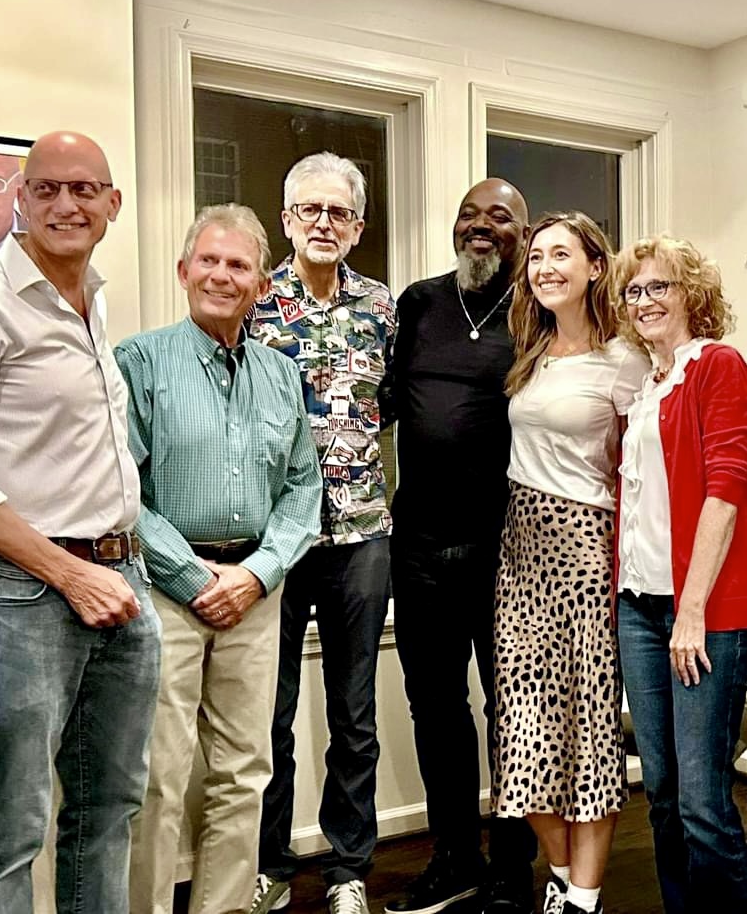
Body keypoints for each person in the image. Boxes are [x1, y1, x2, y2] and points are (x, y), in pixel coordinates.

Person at [0, 130, 160, 914]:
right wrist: (70, 572)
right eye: (46, 189)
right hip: (25, 596)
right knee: (13, 823)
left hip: (122, 579)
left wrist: (108, 570)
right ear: (20, 200)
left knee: (107, 811)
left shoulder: (92, 297)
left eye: (83, 189)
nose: (65, 204)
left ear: (111, 204)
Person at [119, 204, 322, 914]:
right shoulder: (139, 362)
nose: (221, 275)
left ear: (260, 285)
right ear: (183, 271)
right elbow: (121, 488)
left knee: (244, 771)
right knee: (157, 774)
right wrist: (190, 575)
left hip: (253, 593)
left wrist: (258, 573)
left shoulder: (281, 375)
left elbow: (304, 488)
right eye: (208, 260)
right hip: (166, 592)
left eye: (238, 265)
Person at [384, 179, 539, 914]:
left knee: (513, 708)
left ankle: (513, 862)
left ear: (524, 232)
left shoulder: (539, 312)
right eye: (470, 215)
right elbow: (381, 399)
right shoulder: (418, 303)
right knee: (435, 706)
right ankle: (455, 854)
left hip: (507, 548)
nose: (482, 227)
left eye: (499, 217)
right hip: (416, 543)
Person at [249, 152, 395, 914]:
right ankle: (269, 865)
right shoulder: (252, 300)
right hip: (273, 541)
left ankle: (347, 870)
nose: (323, 223)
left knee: (355, 714)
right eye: (309, 209)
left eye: (338, 212)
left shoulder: (382, 307)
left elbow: (391, 405)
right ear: (286, 219)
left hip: (363, 533)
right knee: (266, 715)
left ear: (359, 225)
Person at [492, 211, 649, 914]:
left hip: (585, 547)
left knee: (586, 734)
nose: (545, 266)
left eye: (562, 253)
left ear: (595, 266)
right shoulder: (529, 352)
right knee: (522, 734)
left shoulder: (625, 360)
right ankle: (564, 878)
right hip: (519, 552)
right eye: (536, 256)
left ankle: (581, 898)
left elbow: (646, 467)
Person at [612, 234, 747, 913]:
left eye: (659, 286)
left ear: (691, 294)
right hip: (638, 610)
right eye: (634, 290)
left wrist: (694, 607)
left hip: (700, 612)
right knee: (664, 795)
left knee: (703, 801)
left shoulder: (716, 365)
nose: (643, 300)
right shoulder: (646, 386)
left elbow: (727, 488)